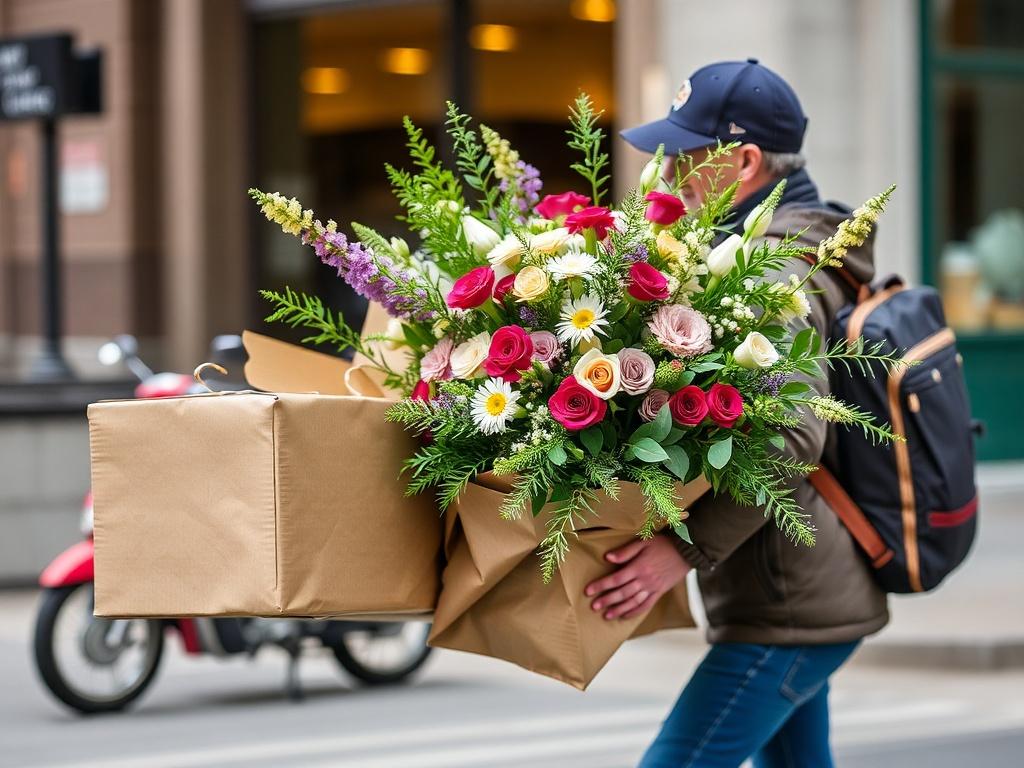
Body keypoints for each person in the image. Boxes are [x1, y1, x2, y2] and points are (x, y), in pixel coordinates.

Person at [584, 59, 888, 767]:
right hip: (793, 594)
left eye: (687, 158)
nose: (667, 177)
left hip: (788, 601)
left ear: (743, 161)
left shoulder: (776, 269)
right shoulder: (774, 247)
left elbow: (792, 435)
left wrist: (680, 551)